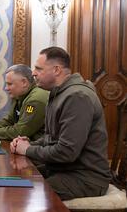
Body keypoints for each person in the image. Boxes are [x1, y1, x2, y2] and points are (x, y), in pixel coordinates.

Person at [10, 47, 112, 200]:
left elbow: (66, 152)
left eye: (38, 68)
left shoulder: (77, 96)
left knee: (31, 196)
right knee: (17, 179)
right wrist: (28, 142)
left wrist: (28, 150)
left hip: (85, 177)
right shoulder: (59, 93)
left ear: (56, 70)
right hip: (64, 169)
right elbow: (51, 137)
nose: (33, 73)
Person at [0, 64, 48, 141]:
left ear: (24, 82)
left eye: (10, 84)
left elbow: (20, 132)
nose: (6, 88)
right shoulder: (20, 96)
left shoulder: (35, 100)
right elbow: (9, 121)